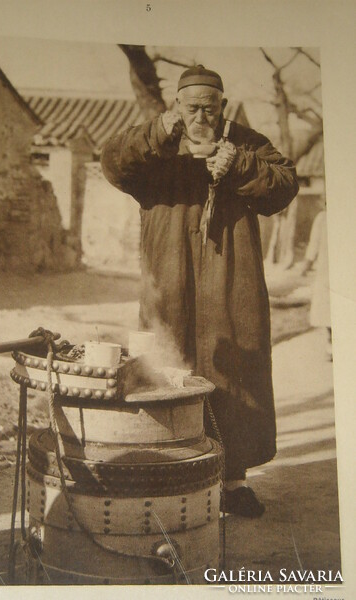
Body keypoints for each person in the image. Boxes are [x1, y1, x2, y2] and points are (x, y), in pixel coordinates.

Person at [101, 65, 299, 517]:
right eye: (191, 108)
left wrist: (238, 166)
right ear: (176, 105)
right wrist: (159, 130)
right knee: (164, 369)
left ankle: (232, 483)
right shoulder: (157, 145)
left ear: (223, 107)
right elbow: (112, 162)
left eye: (209, 108)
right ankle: (170, 475)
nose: (201, 116)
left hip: (231, 278)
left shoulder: (246, 142)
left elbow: (285, 186)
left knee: (235, 372)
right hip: (165, 277)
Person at [301, 204, 332, 360]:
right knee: (327, 308)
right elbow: (313, 245)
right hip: (326, 270)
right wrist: (307, 264)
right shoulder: (322, 218)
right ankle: (330, 342)